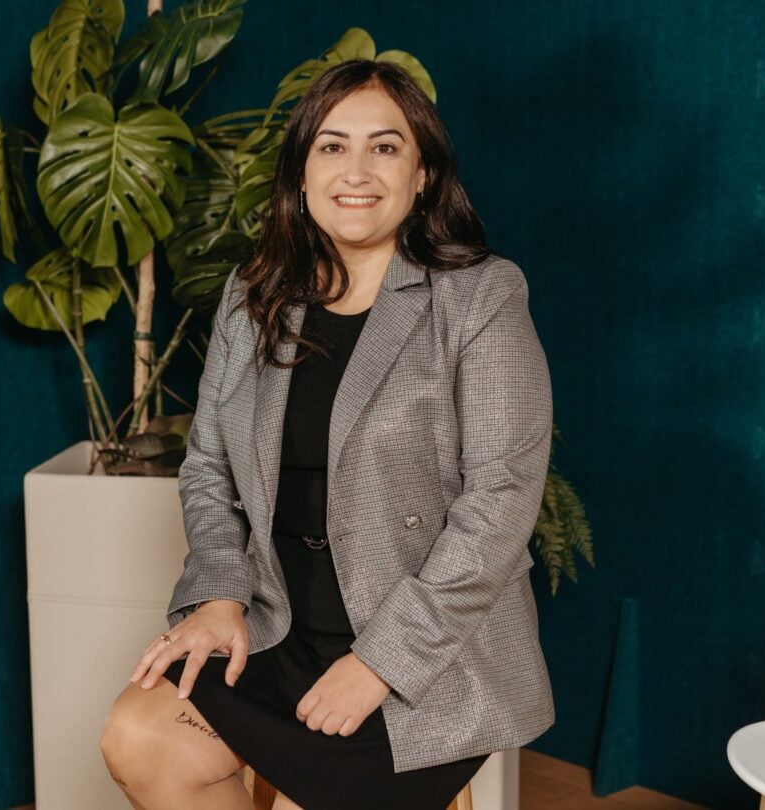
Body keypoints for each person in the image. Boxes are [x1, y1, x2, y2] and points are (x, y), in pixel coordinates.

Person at [100, 58, 554, 810]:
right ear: (301, 176)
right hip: (280, 630)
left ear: (423, 178)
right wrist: (217, 597)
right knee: (140, 737)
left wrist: (380, 663)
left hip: (420, 648)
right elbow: (208, 465)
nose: (357, 170)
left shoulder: (479, 297)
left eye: (385, 147)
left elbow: (501, 500)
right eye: (332, 145)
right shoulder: (253, 296)